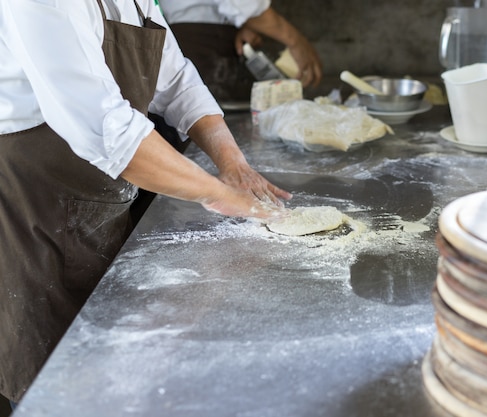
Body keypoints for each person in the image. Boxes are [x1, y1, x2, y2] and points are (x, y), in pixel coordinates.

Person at [0, 0, 291, 404]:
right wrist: (218, 193)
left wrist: (232, 162)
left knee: (109, 374)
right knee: (56, 383)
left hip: (98, 201)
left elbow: (176, 80)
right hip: (36, 203)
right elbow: (106, 128)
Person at [158, 0, 323, 103]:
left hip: (210, 42)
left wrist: (242, 25)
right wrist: (296, 42)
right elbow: (246, 5)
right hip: (203, 49)